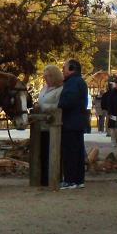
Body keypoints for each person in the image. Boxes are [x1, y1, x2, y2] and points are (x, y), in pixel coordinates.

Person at [57, 59, 88, 190]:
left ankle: (70, 180)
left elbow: (68, 101)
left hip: (70, 122)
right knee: (78, 152)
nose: (62, 71)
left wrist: (57, 105)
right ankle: (78, 179)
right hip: (78, 122)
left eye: (64, 68)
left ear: (71, 68)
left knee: (70, 152)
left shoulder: (73, 83)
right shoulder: (79, 81)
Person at [33, 65, 64, 186]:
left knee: (53, 153)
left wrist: (43, 107)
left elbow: (58, 106)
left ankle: (55, 177)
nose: (46, 79)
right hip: (41, 125)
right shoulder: (44, 88)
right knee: (43, 153)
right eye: (45, 76)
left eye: (48, 76)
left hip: (53, 126)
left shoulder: (61, 89)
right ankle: (43, 178)